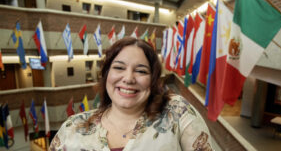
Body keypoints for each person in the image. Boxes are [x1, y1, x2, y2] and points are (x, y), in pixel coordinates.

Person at [49, 37, 215, 151]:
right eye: (119, 68)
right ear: (106, 74)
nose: (128, 78)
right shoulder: (72, 127)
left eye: (141, 71)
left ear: (153, 79)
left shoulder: (177, 113)